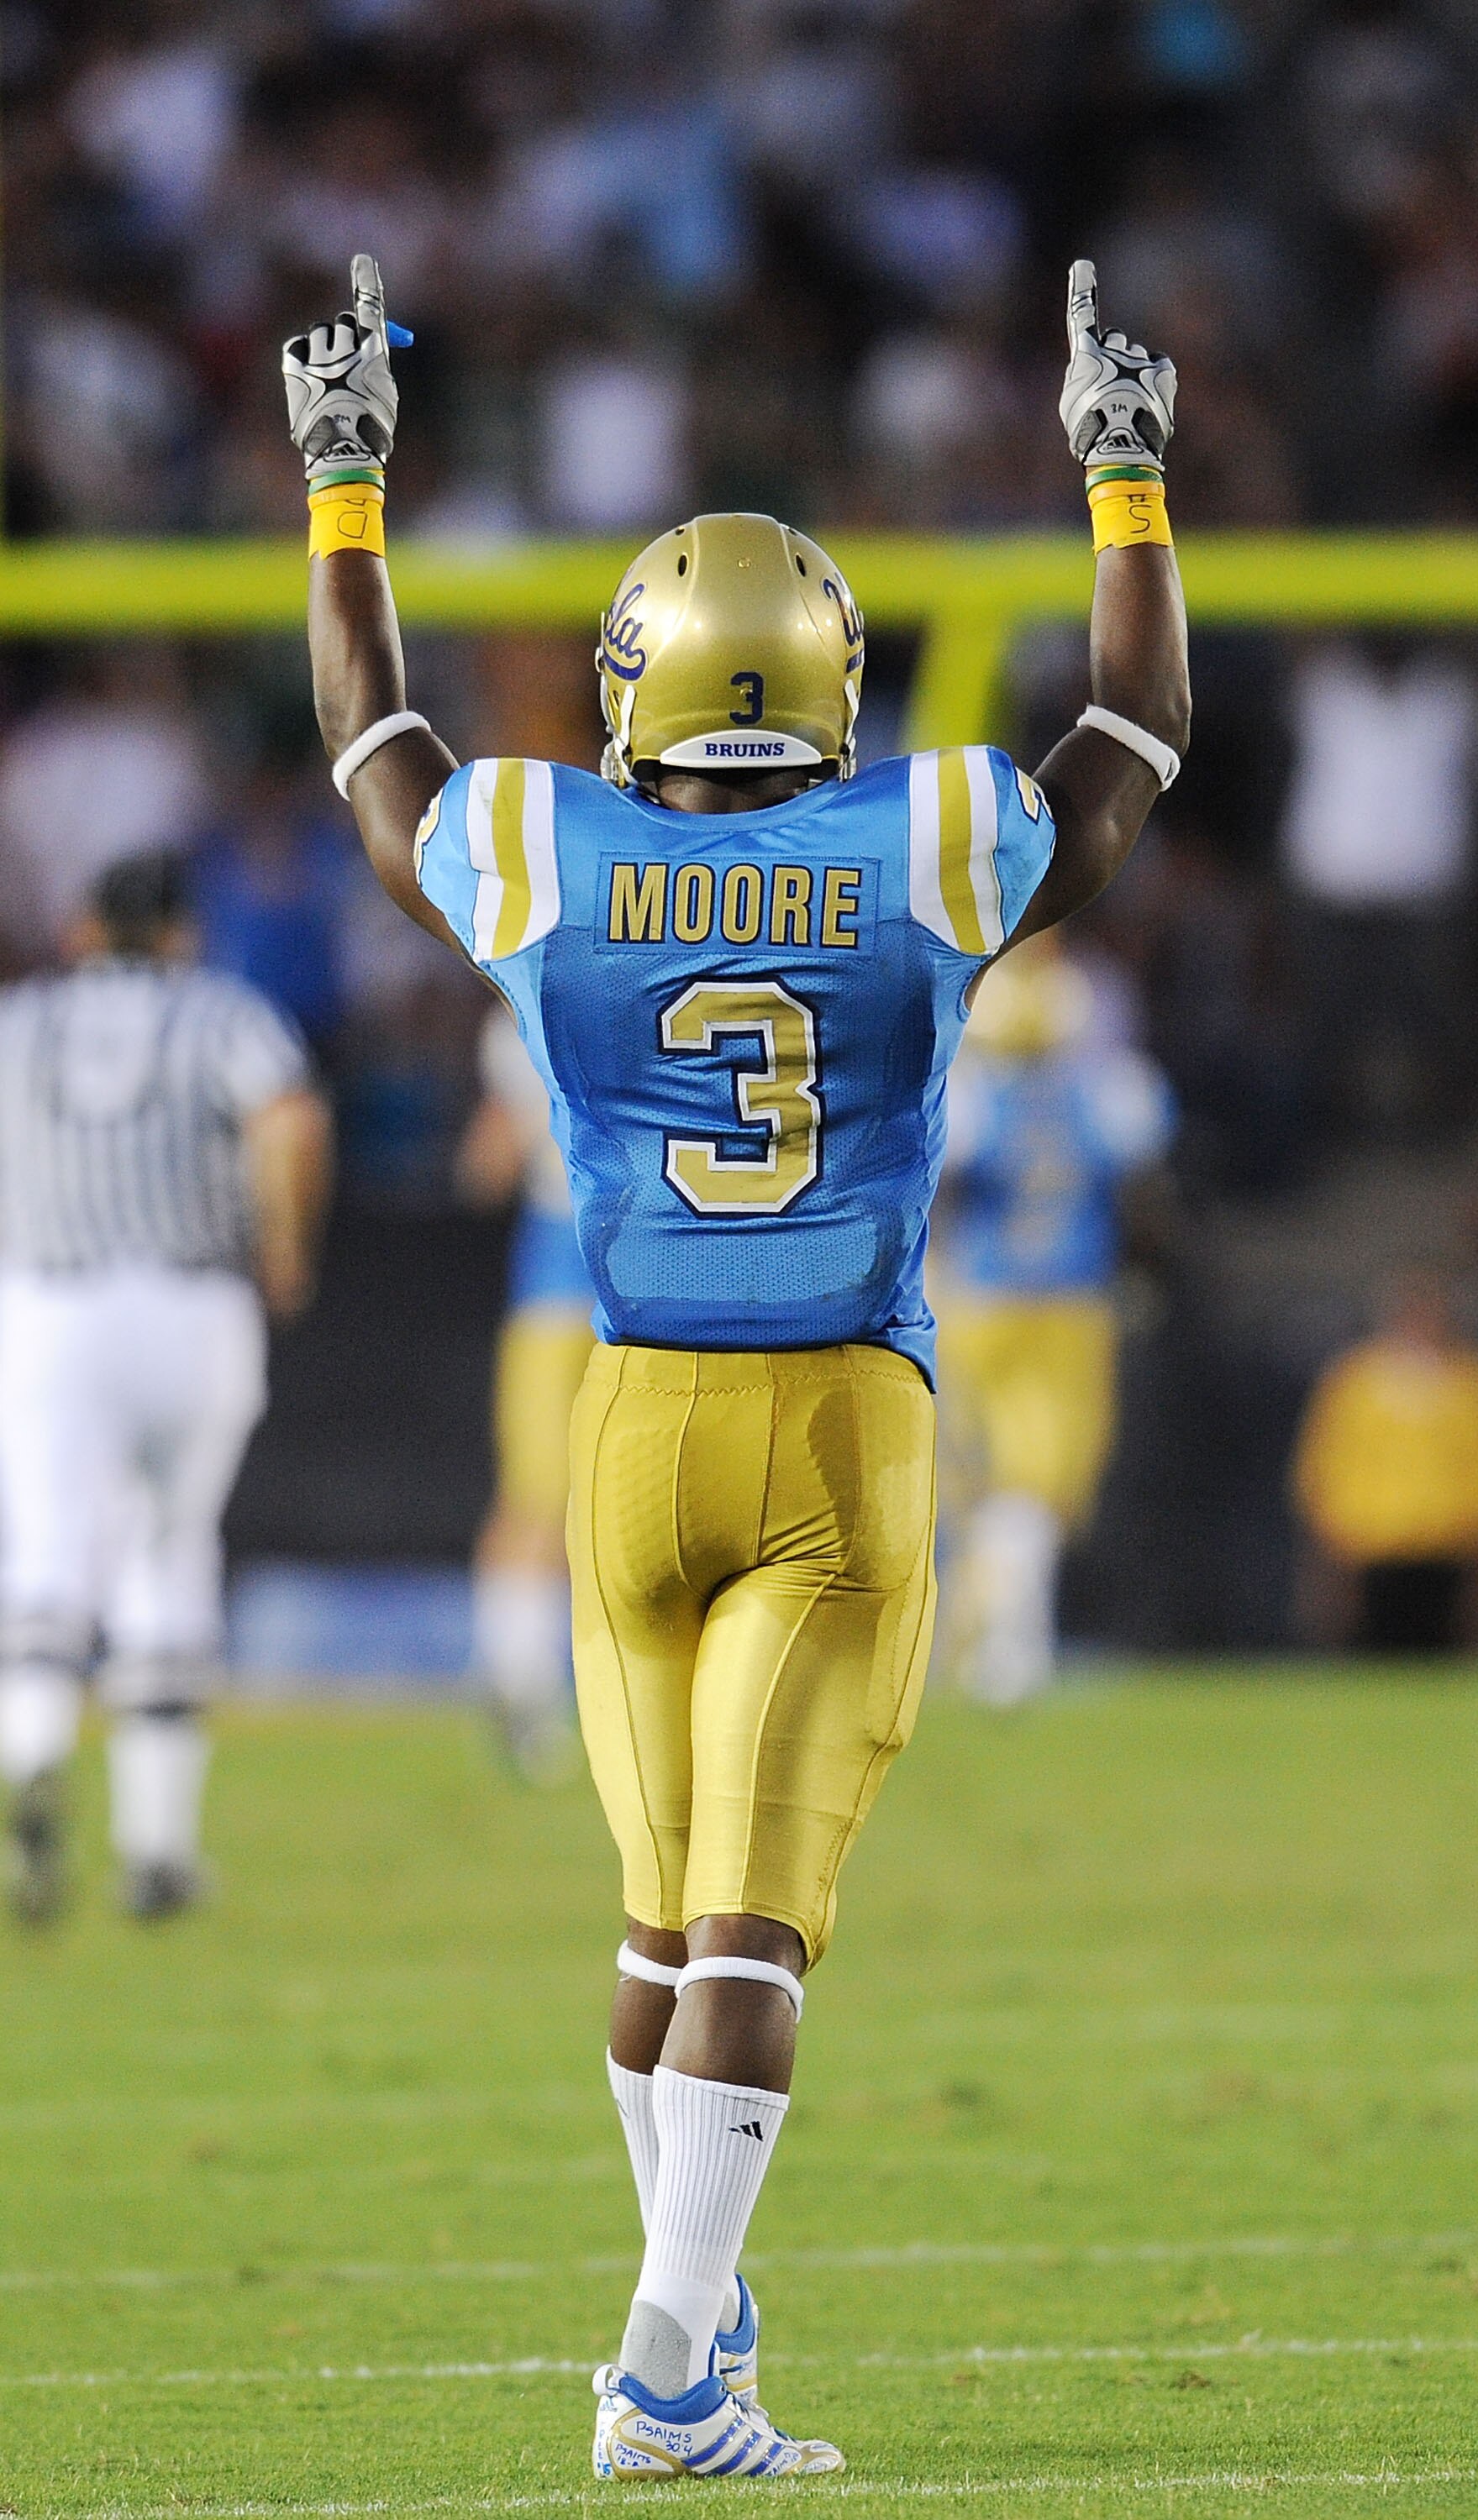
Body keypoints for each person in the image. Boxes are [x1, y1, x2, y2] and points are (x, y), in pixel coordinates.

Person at [283, 252, 1187, 2479]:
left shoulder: (545, 848)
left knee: (658, 1917)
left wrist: (343, 493)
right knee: (756, 1932)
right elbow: (1133, 741)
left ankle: (700, 2338)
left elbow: (373, 757)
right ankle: (668, 2367)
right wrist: (1125, 485)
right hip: (840, 1425)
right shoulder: (926, 840)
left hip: (630, 1424)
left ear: (639, 689)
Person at [0, 851, 331, 1923]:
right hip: (192, 1309)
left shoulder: (23, 1021)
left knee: (48, 1551)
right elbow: (289, 1117)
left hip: (50, 1308)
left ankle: (32, 1755)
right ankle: (156, 1846)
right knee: (169, 1550)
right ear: (183, 931)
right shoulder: (222, 1014)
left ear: (86, 930)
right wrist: (285, 1246)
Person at [934, 936, 1176, 1702]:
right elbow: (1146, 1155)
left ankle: (985, 1638)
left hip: (978, 1300)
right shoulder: (1107, 1092)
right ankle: (1011, 1646)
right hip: (1069, 1301)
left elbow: (938, 1173)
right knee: (1043, 1481)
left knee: (983, 1479)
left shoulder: (969, 1095)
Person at [457, 1005, 594, 1781]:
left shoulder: (523, 1012)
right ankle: (520, 1687)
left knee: (550, 1500)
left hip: (564, 1285)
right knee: (544, 1501)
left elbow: (484, 1167)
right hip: (607, 1283)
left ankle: (522, 1684)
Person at [1291, 1268, 1478, 1656]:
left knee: (1451, 1655)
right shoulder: (1355, 1383)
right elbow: (1327, 1464)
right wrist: (1335, 1539)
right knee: (1373, 1656)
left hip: (1454, 1551)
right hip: (1374, 1549)